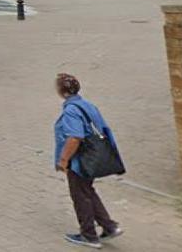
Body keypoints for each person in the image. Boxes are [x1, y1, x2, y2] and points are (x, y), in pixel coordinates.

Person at [54, 73, 124, 248]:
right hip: (93, 158)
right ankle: (109, 226)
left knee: (80, 196)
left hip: (80, 161)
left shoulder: (70, 110)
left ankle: (88, 235)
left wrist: (63, 160)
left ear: (61, 91)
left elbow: (74, 137)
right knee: (87, 191)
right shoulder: (87, 105)